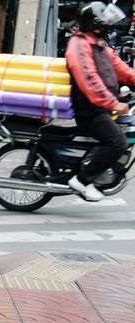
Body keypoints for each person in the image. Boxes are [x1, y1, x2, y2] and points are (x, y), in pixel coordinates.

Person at [65, 2, 135, 201]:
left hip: (100, 108)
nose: (106, 26)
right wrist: (113, 103)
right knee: (118, 143)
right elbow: (89, 79)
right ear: (93, 24)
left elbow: (122, 70)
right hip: (90, 110)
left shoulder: (99, 44)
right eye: (102, 23)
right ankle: (82, 180)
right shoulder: (79, 45)